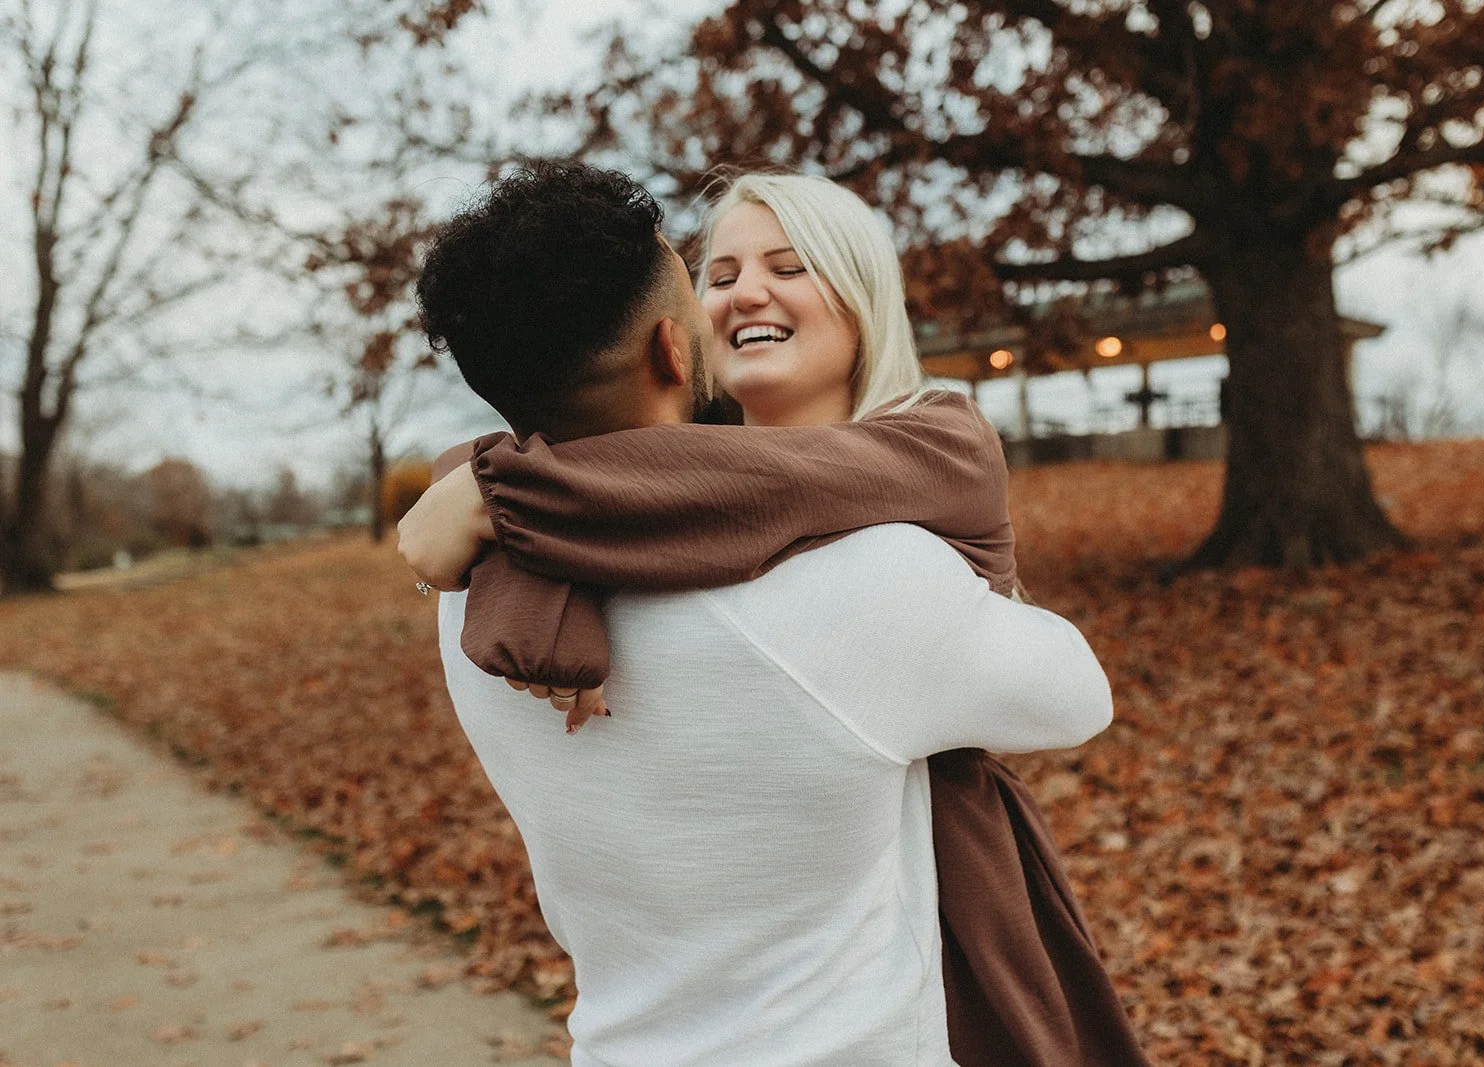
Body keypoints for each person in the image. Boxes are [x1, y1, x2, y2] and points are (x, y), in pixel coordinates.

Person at [405, 163, 1148, 1065]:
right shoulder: (863, 585)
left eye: (791, 265)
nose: (745, 291)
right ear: (680, 353)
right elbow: (1076, 696)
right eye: (715, 277)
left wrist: (488, 480)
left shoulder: (472, 598)